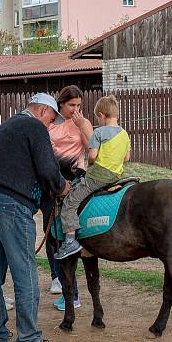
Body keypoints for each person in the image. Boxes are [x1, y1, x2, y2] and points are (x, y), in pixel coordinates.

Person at [0, 93, 69, 342]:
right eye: (51, 120)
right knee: (25, 274)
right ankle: (29, 341)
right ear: (42, 111)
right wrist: (61, 186)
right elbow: (47, 167)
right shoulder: (34, 127)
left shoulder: (6, 126)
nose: (50, 126)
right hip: (15, 206)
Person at [56, 95, 131, 261]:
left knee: (70, 201)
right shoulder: (124, 134)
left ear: (102, 115)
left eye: (98, 117)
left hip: (97, 176)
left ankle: (70, 241)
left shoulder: (99, 132)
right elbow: (126, 158)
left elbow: (92, 156)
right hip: (117, 176)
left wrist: (91, 161)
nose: (99, 120)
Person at [45, 86, 93, 305]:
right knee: (52, 233)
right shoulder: (48, 125)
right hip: (53, 181)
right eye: (71, 105)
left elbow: (91, 150)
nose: (75, 109)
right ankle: (59, 280)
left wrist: (84, 127)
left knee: (69, 233)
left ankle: (71, 293)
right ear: (61, 103)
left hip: (75, 179)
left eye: (78, 106)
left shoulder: (80, 122)